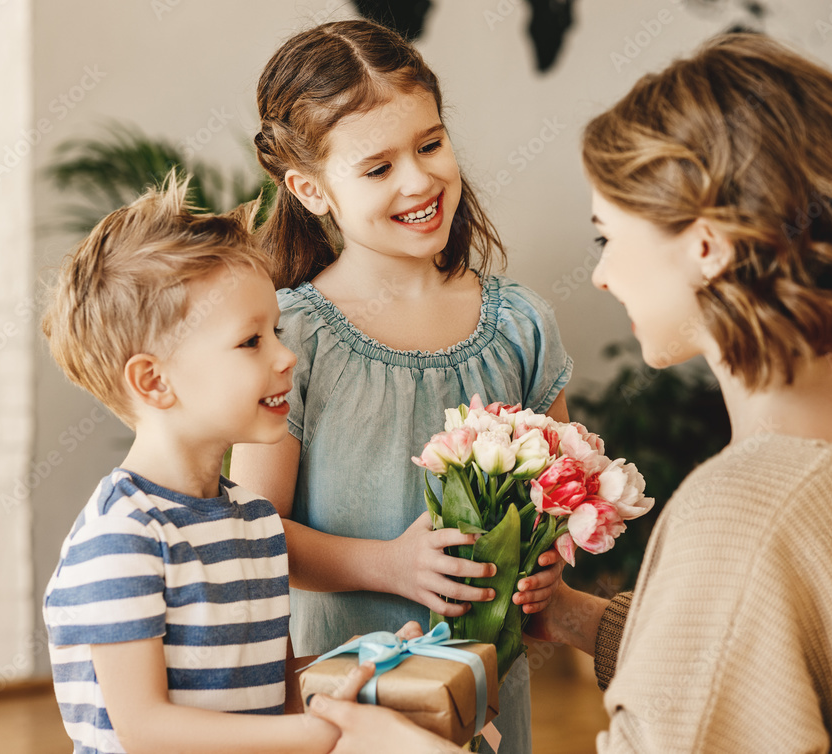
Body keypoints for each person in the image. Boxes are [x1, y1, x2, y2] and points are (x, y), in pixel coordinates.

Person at [304, 32, 832, 754]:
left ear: (706, 247)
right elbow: (769, 662)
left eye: (608, 236)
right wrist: (578, 619)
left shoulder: (740, 514)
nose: (602, 276)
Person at [229, 19, 571, 754]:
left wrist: (546, 560)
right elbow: (254, 537)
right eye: (377, 167)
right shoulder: (290, 339)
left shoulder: (521, 325)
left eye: (429, 144)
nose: (419, 180)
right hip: (348, 706)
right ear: (309, 189)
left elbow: (560, 496)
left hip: (490, 697)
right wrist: (386, 564)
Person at [41, 175, 419, 754]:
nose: (285, 355)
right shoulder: (123, 537)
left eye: (278, 331)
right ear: (154, 381)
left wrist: (376, 664)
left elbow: (273, 690)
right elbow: (144, 727)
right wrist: (308, 734)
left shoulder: (256, 522)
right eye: (251, 342)